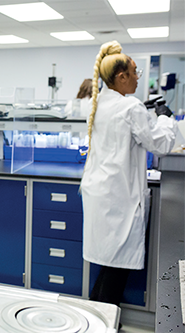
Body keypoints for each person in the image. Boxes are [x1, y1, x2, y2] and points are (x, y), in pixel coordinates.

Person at [81, 41, 177, 306]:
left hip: (101, 193)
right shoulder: (131, 107)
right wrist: (164, 117)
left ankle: (99, 315)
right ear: (121, 77)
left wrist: (147, 115)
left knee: (110, 265)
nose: (137, 78)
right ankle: (105, 322)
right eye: (135, 72)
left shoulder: (101, 104)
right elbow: (160, 144)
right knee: (116, 269)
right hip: (120, 198)